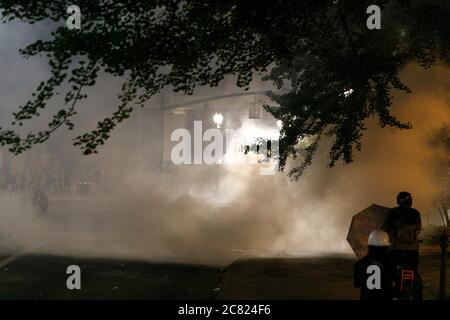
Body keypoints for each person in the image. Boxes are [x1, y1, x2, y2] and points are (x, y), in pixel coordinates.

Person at [382, 191, 422, 299]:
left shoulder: (392, 212)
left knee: (388, 273)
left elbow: (384, 228)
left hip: (395, 250)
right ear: (410, 201)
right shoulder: (416, 213)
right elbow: (419, 229)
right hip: (413, 251)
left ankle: (389, 293)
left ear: (399, 200)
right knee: (415, 273)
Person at [354, 229, 395, 300]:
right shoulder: (391, 264)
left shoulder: (361, 263)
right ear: (386, 247)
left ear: (369, 245)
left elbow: (356, 284)